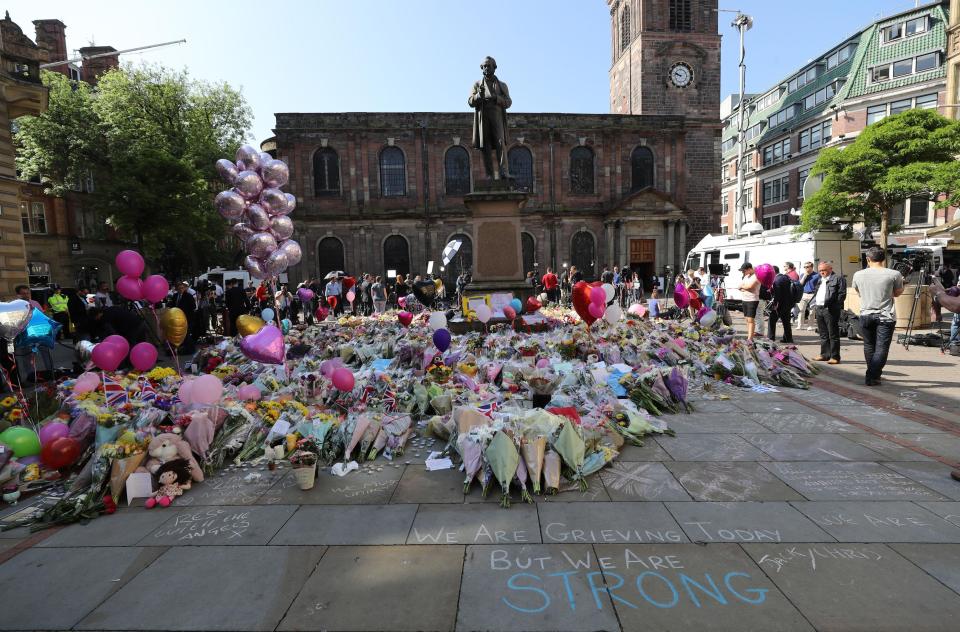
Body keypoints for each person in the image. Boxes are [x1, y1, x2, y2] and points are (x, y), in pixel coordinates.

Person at [852, 246, 904, 386]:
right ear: (884, 259)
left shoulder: (858, 274)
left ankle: (874, 376)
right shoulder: (894, 274)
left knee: (869, 345)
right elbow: (898, 293)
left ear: (868, 259)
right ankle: (871, 375)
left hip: (865, 314)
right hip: (885, 315)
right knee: (881, 347)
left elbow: (859, 292)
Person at [468, 56, 512, 180]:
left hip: (497, 116)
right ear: (482, 68)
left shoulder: (502, 85)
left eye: (489, 65)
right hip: (483, 118)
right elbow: (470, 101)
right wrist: (478, 96)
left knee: (500, 143)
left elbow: (509, 102)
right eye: (484, 66)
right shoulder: (477, 85)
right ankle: (489, 175)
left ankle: (504, 172)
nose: (487, 68)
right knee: (485, 145)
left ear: (494, 67)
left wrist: (497, 99)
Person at [810, 261, 846, 365]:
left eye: (824, 270)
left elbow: (841, 294)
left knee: (833, 334)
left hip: (830, 309)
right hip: (819, 308)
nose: (822, 272)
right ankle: (824, 354)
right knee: (823, 334)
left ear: (830, 269)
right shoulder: (820, 279)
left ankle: (835, 356)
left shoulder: (838, 278)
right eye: (820, 270)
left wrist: (835, 307)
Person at [767, 266, 795, 343]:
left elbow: (777, 294)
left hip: (780, 304)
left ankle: (770, 338)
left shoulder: (776, 280)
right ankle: (788, 339)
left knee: (772, 320)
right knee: (786, 322)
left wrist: (775, 304)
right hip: (788, 303)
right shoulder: (786, 277)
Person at [738, 263, 761, 341]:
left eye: (744, 270)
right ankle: (749, 335)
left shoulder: (757, 276)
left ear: (749, 269)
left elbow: (751, 287)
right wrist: (744, 288)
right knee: (747, 319)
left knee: (751, 319)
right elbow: (740, 286)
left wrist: (744, 287)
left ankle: (750, 338)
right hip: (745, 299)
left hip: (752, 299)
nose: (743, 272)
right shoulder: (746, 276)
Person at [173, 281, 196, 353]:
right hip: (178, 318)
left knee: (186, 333)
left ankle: (189, 349)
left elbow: (193, 306)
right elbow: (173, 305)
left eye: (182, 288)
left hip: (187, 318)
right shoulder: (175, 296)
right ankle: (183, 347)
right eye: (179, 288)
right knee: (181, 333)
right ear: (176, 289)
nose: (181, 290)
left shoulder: (188, 296)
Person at [797, 261, 817, 331]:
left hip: (812, 294)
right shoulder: (802, 274)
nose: (806, 268)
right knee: (801, 310)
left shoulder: (816, 275)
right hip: (803, 294)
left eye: (807, 267)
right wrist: (804, 276)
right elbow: (800, 284)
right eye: (804, 267)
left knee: (812, 311)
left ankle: (810, 326)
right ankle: (800, 325)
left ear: (812, 267)